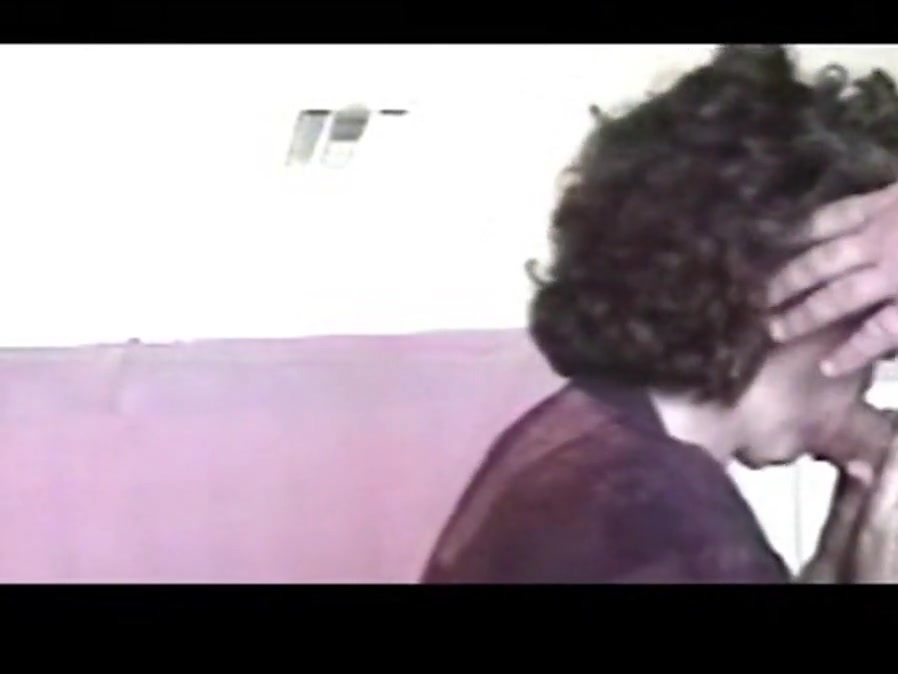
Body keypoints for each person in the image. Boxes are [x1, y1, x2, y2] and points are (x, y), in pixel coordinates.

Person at [421, 45, 898, 584]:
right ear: (807, 290)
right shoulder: (672, 530)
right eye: (871, 325)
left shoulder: (580, 440)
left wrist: (840, 558)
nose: (872, 368)